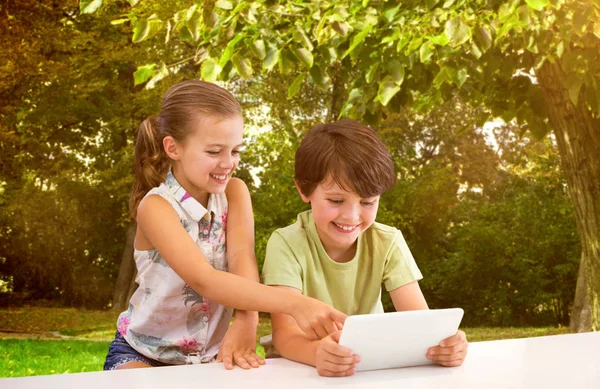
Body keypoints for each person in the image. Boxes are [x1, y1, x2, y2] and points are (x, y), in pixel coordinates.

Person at [104, 80, 346, 371]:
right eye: (214, 151)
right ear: (173, 148)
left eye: (235, 151)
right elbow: (204, 279)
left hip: (210, 357)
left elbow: (242, 258)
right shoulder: (156, 207)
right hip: (142, 353)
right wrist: (295, 304)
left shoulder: (235, 193)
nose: (228, 162)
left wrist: (248, 318)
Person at [261, 119, 468, 377]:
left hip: (365, 370)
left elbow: (420, 323)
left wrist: (445, 345)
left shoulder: (387, 241)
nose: (351, 216)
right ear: (304, 189)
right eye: (336, 200)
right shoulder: (286, 243)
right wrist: (317, 354)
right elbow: (285, 336)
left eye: (368, 202)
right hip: (297, 371)